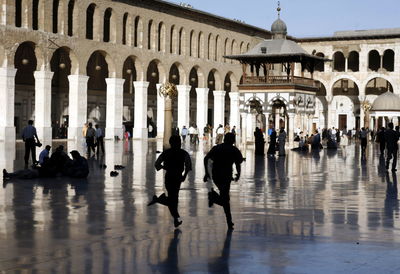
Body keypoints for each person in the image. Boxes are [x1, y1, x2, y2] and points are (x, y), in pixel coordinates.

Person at [148, 135, 192, 228]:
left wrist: (164, 167)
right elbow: (188, 165)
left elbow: (157, 164)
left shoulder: (166, 153)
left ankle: (175, 219)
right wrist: (184, 175)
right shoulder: (183, 153)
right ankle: (160, 200)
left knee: (173, 199)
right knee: (174, 199)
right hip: (177, 178)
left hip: (169, 177)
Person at [204, 133, 243, 230]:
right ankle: (229, 221)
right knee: (225, 199)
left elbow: (206, 158)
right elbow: (238, 163)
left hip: (216, 175)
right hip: (226, 176)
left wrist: (207, 173)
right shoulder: (234, 150)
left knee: (225, 198)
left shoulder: (217, 148)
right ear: (233, 140)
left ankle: (229, 222)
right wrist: (238, 174)